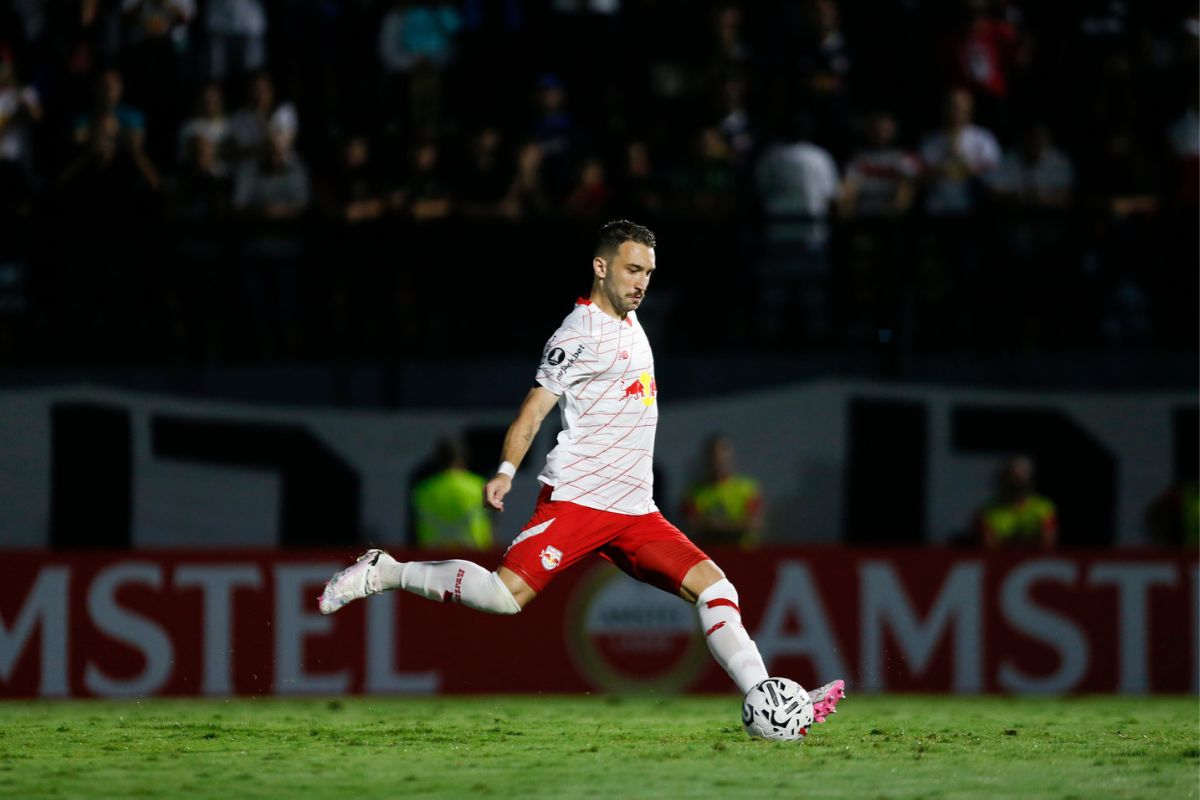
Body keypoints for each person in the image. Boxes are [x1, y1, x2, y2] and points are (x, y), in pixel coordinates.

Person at [319, 220, 845, 723]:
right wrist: (506, 469)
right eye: (632, 270)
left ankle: (769, 697)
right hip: (580, 500)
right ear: (600, 267)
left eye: (648, 273)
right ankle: (384, 570)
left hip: (636, 511)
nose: (641, 284)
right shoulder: (576, 335)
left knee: (717, 588)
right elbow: (532, 411)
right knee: (504, 598)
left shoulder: (631, 319)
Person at [410, 437, 494, 550]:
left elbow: (415, 527)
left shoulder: (424, 489)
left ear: (438, 460)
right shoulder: (479, 486)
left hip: (433, 557)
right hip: (472, 556)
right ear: (464, 459)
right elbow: (491, 524)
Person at [682, 435, 763, 548]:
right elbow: (692, 526)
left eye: (722, 456)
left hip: (743, 554)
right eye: (713, 457)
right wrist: (735, 525)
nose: (718, 461)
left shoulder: (748, 488)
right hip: (708, 556)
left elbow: (753, 524)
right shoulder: (694, 492)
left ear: (730, 457)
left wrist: (712, 524)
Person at [972, 455, 1057, 549]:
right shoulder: (988, 511)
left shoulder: (1044, 507)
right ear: (1004, 479)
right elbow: (989, 547)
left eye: (1024, 476)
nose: (1019, 482)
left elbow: (1048, 544)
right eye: (1014, 477)